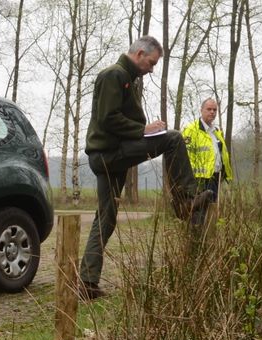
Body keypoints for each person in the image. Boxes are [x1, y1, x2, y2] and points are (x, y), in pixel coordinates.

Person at [79, 36, 200, 301]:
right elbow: (107, 118)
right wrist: (143, 130)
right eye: (152, 62)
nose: (152, 68)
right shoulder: (115, 74)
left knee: (106, 218)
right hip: (109, 155)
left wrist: (143, 130)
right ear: (140, 53)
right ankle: (184, 201)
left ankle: (87, 283)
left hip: (110, 155)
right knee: (173, 139)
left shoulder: (127, 78)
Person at [181, 97, 234, 231]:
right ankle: (196, 244)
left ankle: (209, 243)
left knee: (212, 212)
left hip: (215, 178)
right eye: (209, 109)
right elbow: (185, 156)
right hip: (198, 180)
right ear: (201, 110)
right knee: (198, 214)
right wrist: (190, 180)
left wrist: (226, 175)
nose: (212, 112)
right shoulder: (191, 129)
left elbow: (222, 155)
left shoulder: (216, 132)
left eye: (214, 110)